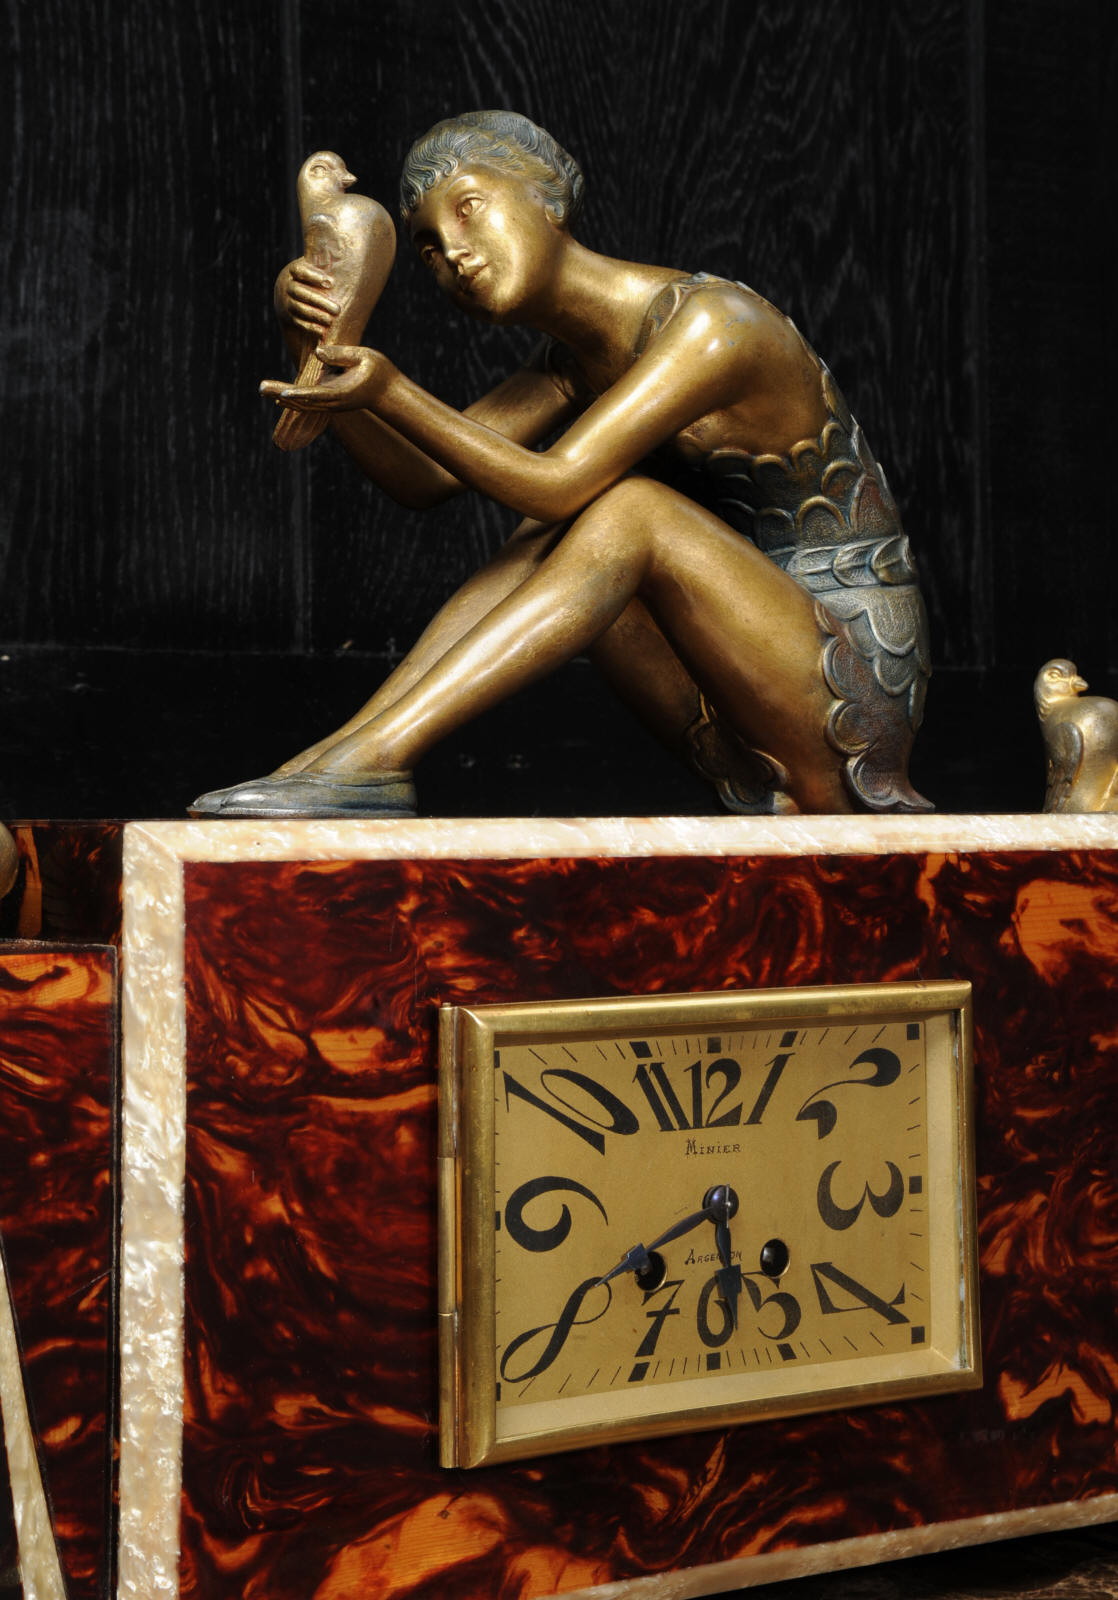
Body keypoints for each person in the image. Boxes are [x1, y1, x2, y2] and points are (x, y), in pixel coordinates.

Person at [192, 110, 930, 818]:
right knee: (549, 539)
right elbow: (422, 478)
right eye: (428, 250)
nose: (454, 255)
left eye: (470, 208)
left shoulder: (717, 326)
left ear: (548, 198)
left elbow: (556, 483)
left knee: (624, 509)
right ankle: (344, 755)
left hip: (854, 679)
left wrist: (390, 389)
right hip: (736, 684)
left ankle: (381, 755)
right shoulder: (573, 362)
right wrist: (313, 347)